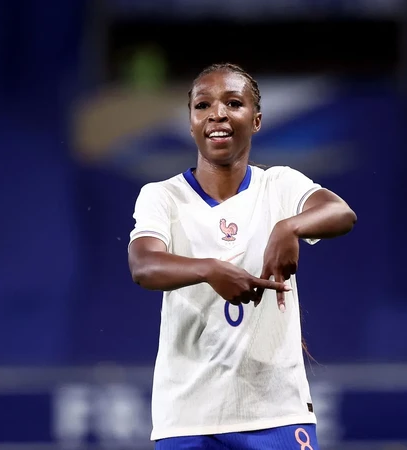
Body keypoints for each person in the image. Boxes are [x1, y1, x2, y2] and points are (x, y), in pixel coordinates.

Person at [128, 63, 357, 450]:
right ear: (191, 122)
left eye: (233, 103)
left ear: (256, 120)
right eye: (203, 105)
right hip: (188, 419)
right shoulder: (162, 196)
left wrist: (289, 227)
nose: (217, 114)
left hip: (277, 413)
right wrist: (210, 270)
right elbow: (144, 266)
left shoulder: (279, 185)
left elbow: (341, 213)